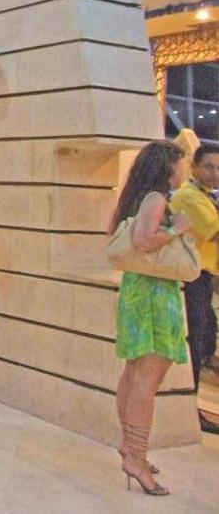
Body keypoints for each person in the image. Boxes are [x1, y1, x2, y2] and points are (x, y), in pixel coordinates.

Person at [109, 140, 191, 496]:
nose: (184, 168)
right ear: (167, 166)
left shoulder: (135, 196)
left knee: (134, 372)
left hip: (137, 289)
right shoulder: (156, 198)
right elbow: (144, 241)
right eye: (180, 162)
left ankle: (130, 445)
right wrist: (177, 229)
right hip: (155, 294)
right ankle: (137, 458)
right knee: (148, 377)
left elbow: (119, 236)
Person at [168, 144, 219, 435]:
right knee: (197, 342)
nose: (215, 173)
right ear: (193, 166)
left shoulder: (203, 196)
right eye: (209, 167)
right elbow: (215, 231)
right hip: (193, 278)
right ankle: (189, 410)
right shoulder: (189, 196)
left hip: (202, 276)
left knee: (203, 340)